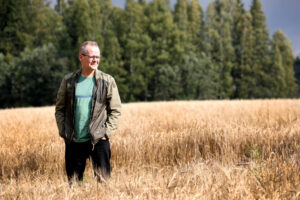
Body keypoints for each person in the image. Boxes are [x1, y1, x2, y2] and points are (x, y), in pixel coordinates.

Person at [55, 41, 121, 183]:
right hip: (74, 141)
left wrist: (106, 133)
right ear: (81, 57)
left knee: (103, 183)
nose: (95, 60)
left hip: (98, 140)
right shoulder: (68, 81)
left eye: (97, 57)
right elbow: (60, 108)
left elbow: (115, 110)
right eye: (91, 56)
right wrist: (64, 131)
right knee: (74, 184)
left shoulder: (107, 81)